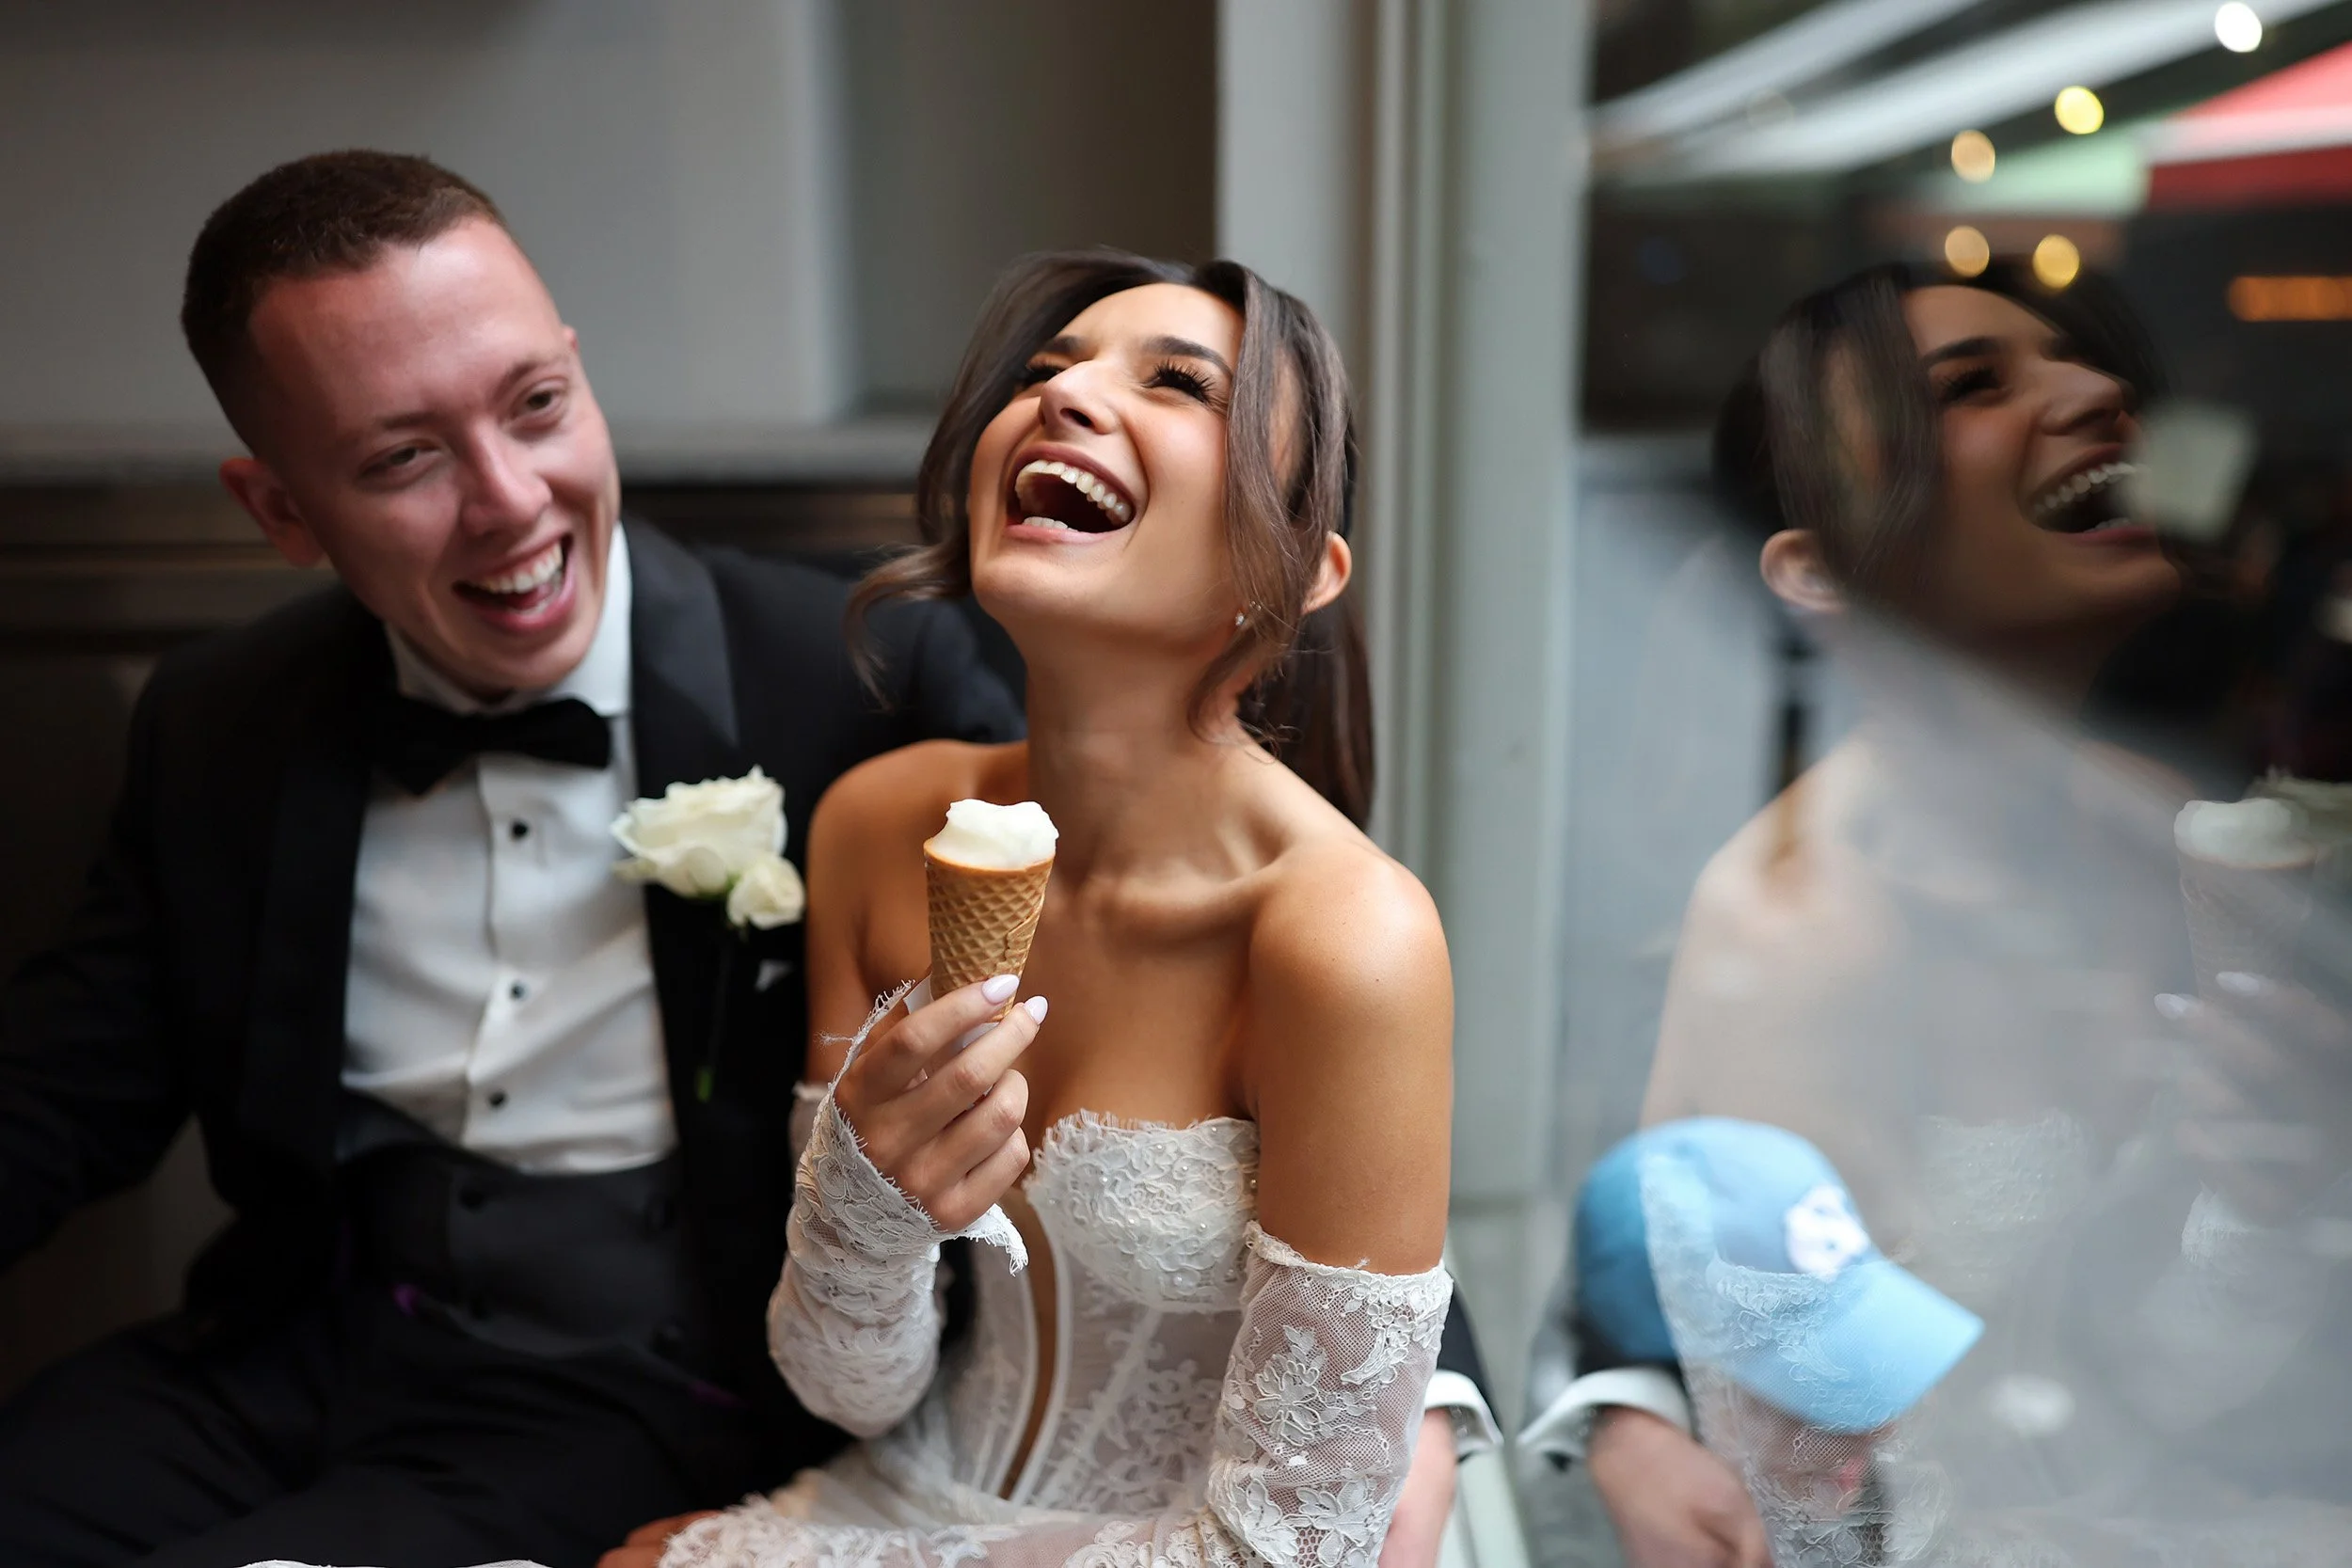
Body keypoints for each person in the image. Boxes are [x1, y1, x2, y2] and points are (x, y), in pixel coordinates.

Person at [0, 150, 1034, 1568]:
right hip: (288, 1351)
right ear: (281, 511)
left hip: (650, 1387)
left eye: (535, 407)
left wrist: (1412, 1371)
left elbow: (1187, 956)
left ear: (577, 374)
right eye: (402, 458)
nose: (508, 500)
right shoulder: (220, 716)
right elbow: (59, 1091)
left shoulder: (857, 676)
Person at [605, 252, 1478, 1568]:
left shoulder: (1348, 941)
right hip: (892, 1484)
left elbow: (1283, 1551)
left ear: (1297, 570)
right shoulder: (876, 824)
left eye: (1176, 383)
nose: (1063, 400)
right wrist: (868, 1200)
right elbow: (850, 1388)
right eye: (1042, 373)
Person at [1554, 261, 2191, 1568]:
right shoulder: (1795, 936)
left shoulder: (2171, 831)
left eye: (2074, 358)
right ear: (1820, 570)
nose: (2104, 392)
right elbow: (1810, 1481)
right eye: (1973, 385)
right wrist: (1634, 1412)